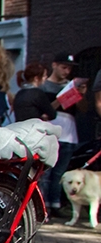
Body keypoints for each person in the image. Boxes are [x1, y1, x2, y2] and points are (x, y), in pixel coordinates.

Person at [40, 53, 84, 216]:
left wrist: (79, 95)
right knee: (46, 171)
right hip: (51, 131)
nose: (67, 71)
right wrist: (62, 96)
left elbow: (83, 109)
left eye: (69, 68)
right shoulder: (44, 86)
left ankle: (56, 204)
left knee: (60, 172)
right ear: (54, 65)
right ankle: (43, 206)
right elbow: (45, 109)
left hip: (69, 134)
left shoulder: (72, 85)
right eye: (64, 67)